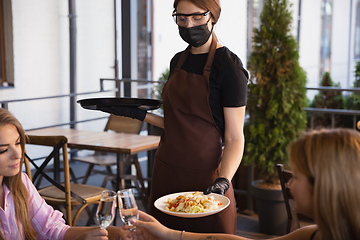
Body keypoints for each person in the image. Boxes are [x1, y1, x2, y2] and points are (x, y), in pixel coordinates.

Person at [98, 0, 248, 234]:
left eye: (197, 18)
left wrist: (223, 180)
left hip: (206, 179)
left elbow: (235, 137)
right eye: (182, 18)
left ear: (213, 17)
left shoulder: (229, 67)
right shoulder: (178, 61)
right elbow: (177, 124)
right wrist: (139, 115)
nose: (189, 25)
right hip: (166, 170)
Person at [126, 128, 360, 240]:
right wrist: (169, 234)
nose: (289, 185)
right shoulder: (316, 234)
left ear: (325, 186)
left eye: (296, 176)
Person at [0, 108, 130, 240]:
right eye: (3, 150)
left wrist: (104, 232)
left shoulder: (21, 182)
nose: (18, 154)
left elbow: (51, 229)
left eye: (18, 143)